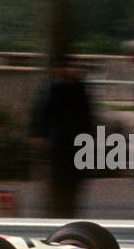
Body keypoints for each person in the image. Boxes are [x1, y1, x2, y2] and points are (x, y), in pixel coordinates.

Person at [29, 58, 94, 218]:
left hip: (71, 143)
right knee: (60, 183)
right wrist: (39, 134)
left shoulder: (76, 89)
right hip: (61, 143)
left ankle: (65, 211)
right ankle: (60, 212)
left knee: (70, 185)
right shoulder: (56, 90)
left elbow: (87, 117)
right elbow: (41, 115)